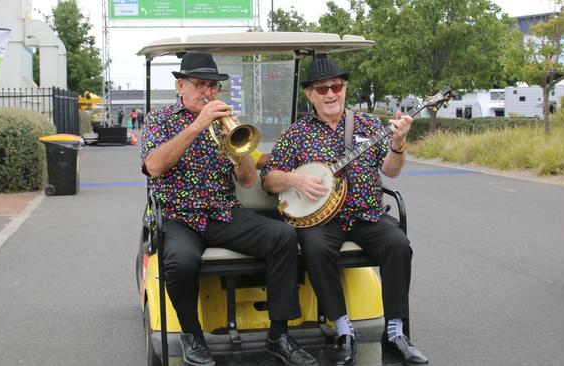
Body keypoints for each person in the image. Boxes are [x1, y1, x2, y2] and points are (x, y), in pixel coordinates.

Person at [140, 52, 317, 366]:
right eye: (200, 85)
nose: (207, 92)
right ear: (181, 85)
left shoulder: (225, 123)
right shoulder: (160, 120)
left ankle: (279, 335)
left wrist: (237, 150)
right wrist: (198, 125)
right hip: (180, 215)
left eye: (213, 86)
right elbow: (153, 166)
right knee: (180, 262)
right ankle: (192, 336)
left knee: (283, 237)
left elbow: (248, 182)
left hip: (222, 212)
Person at [261, 56, 429, 365]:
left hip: (367, 215)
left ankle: (395, 332)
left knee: (399, 245)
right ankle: (343, 330)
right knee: (315, 249)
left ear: (345, 89)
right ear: (310, 95)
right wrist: (294, 178)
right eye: (322, 89)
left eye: (336, 87)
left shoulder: (367, 124)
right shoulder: (297, 134)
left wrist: (399, 143)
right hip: (322, 220)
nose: (330, 94)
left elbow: (391, 171)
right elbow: (269, 179)